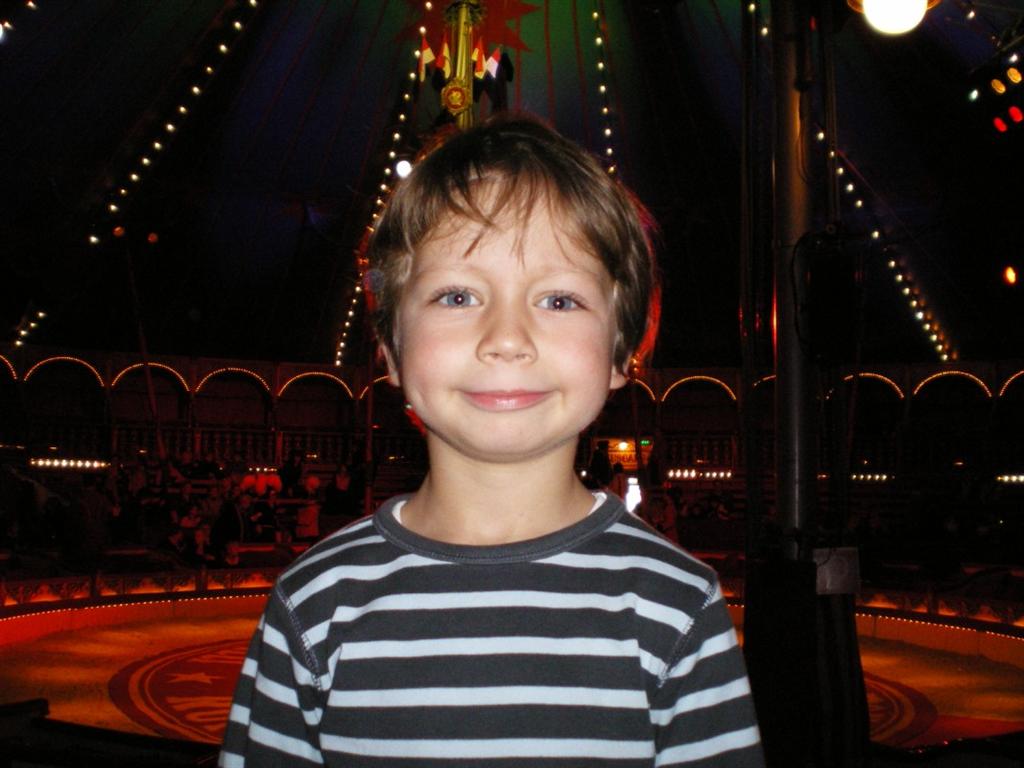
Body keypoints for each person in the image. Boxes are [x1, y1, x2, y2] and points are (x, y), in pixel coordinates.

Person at [220, 114, 763, 767]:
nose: (507, 339)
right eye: (457, 296)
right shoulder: (312, 603)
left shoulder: (678, 606)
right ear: (390, 346)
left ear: (622, 350)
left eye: (559, 300)